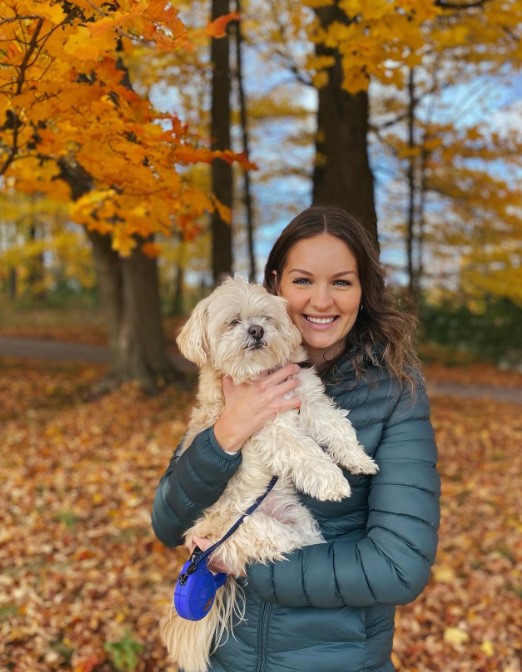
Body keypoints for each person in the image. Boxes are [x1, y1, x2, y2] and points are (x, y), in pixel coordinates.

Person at [151, 206, 440, 672]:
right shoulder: (231, 381)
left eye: (341, 282)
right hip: (228, 656)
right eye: (303, 281)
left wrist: (241, 561)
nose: (321, 301)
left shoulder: (395, 395)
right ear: (276, 284)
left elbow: (399, 569)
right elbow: (167, 522)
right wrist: (228, 431)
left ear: (364, 291)